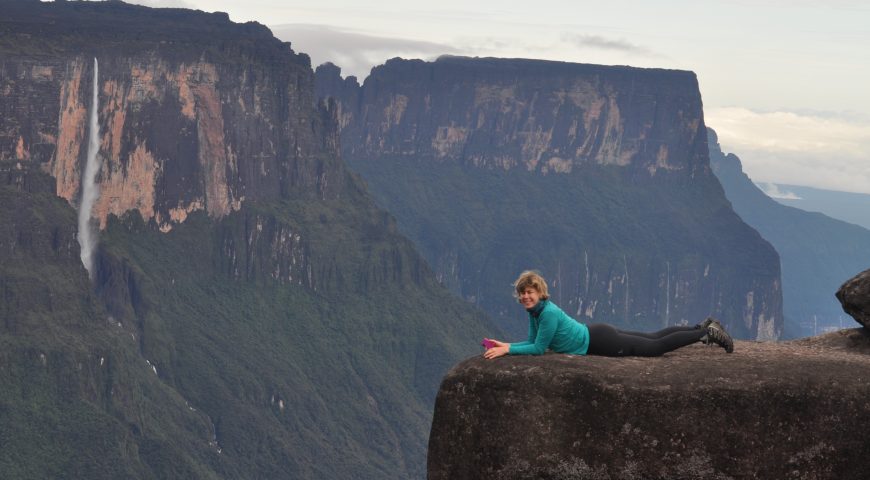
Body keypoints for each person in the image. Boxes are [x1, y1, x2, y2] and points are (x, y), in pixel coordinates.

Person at [483, 270, 734, 360]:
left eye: (529, 292)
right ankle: (701, 326)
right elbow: (533, 342)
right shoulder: (536, 312)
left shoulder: (546, 314)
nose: (525, 297)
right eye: (522, 293)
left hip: (599, 341)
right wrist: (507, 345)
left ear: (540, 292)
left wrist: (508, 351)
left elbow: (539, 350)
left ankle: (704, 333)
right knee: (652, 336)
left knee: (655, 348)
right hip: (595, 332)